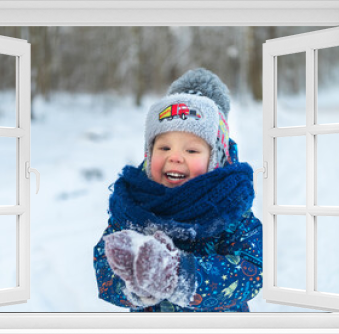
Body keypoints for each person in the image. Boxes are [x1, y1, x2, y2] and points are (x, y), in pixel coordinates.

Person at [93, 68, 263, 312]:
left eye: (191, 151)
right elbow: (105, 266)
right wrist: (136, 285)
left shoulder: (230, 205)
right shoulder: (133, 204)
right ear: (149, 153)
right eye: (164, 148)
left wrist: (178, 277)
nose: (175, 157)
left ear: (214, 159)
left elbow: (251, 270)